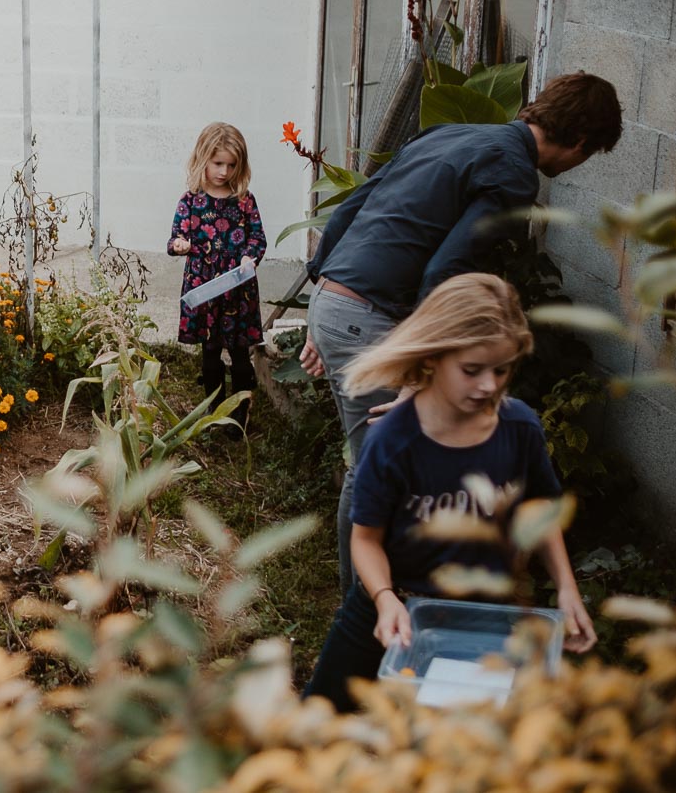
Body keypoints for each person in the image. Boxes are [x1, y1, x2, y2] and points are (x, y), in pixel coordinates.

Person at [299, 72, 622, 595]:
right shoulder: (515, 172)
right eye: (587, 156)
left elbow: (352, 210)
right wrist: (418, 373)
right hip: (370, 319)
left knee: (387, 462)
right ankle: (365, 615)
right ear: (581, 143)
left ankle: (382, 602)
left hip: (341, 301)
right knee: (377, 466)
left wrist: (325, 302)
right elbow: (443, 276)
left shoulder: (449, 134)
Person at [302, 273, 596, 713]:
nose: (489, 386)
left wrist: (567, 590)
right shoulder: (394, 440)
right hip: (391, 605)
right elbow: (365, 539)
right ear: (433, 357)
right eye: (472, 370)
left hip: (481, 616)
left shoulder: (520, 429)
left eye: (502, 370)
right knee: (315, 725)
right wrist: (384, 600)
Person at [168, 122, 266, 421]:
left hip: (237, 288)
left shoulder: (244, 201)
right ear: (203, 160)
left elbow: (257, 238)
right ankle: (214, 409)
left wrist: (250, 257)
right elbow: (174, 239)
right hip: (205, 286)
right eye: (218, 163)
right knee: (210, 353)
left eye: (231, 165)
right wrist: (181, 245)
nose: (224, 171)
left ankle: (239, 412)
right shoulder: (191, 201)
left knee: (238, 354)